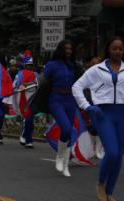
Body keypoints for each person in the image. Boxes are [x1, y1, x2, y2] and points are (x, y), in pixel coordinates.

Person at [72, 37, 124, 201]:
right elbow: (77, 87)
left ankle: (109, 192)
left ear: (123, 51)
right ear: (108, 50)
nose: (117, 51)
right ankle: (101, 183)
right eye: (114, 48)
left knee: (118, 156)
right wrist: (87, 106)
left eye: (120, 49)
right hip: (103, 114)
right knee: (111, 151)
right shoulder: (96, 70)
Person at [44, 39, 82, 177]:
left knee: (69, 133)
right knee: (65, 128)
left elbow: (82, 82)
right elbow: (42, 81)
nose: (68, 51)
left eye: (70, 49)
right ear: (61, 49)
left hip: (70, 100)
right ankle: (59, 156)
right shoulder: (52, 65)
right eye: (66, 48)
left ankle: (66, 165)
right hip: (56, 99)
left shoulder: (74, 65)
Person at [15, 50, 38, 149]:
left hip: (32, 99)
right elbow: (16, 85)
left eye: (31, 65)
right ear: (25, 65)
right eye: (28, 65)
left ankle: (28, 140)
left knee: (30, 120)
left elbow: (38, 85)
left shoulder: (35, 74)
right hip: (23, 98)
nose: (30, 67)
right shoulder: (19, 74)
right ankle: (25, 137)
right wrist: (21, 86)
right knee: (27, 119)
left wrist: (30, 84)